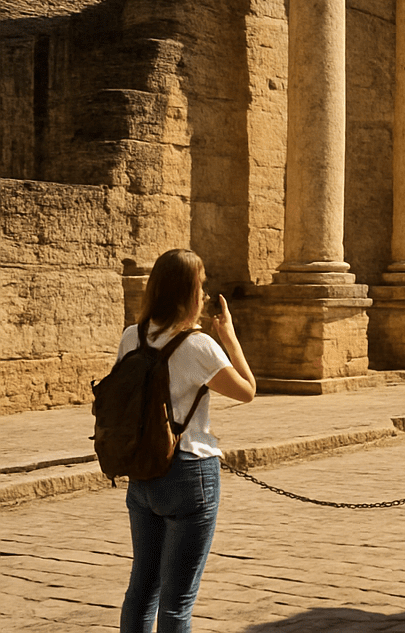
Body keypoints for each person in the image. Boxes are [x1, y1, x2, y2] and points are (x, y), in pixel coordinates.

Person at [118, 248, 257, 633]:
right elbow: (247, 390)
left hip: (143, 471)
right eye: (202, 284)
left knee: (141, 591)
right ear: (189, 292)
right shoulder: (198, 345)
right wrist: (229, 338)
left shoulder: (132, 336)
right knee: (177, 602)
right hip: (190, 472)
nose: (205, 292)